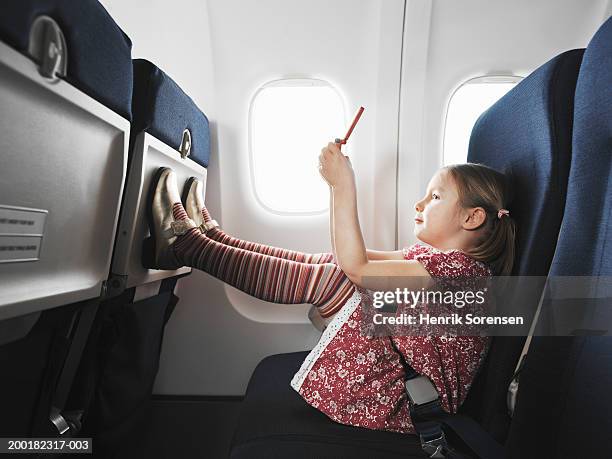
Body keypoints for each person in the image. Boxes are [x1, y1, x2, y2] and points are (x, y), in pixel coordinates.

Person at [143, 141, 515, 434]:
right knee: (330, 266)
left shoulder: (461, 273)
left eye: (434, 197)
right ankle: (211, 240)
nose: (419, 203)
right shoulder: (439, 261)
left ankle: (184, 246)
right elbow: (345, 255)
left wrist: (343, 185)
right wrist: (336, 189)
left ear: (472, 217)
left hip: (405, 397)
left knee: (338, 277)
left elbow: (356, 268)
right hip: (399, 376)